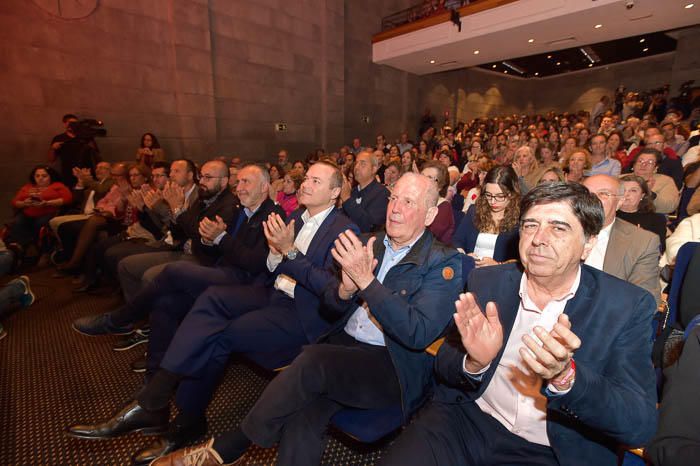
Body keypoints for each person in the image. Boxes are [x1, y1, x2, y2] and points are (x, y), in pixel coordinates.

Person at [151, 172, 462, 466]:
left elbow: (418, 333)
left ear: (431, 215)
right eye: (394, 198)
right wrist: (344, 290)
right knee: (303, 413)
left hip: (392, 366)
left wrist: (367, 283)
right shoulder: (370, 241)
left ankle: (230, 445)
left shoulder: (444, 262)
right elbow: (329, 301)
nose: (395, 208)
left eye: (409, 202)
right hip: (345, 349)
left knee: (313, 361)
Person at [67, 162, 358, 463]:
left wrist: (288, 253)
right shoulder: (296, 216)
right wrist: (275, 255)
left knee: (220, 332)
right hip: (272, 293)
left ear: (335, 192)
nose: (306, 184)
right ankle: (160, 399)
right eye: (306, 178)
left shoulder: (344, 228)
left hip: (302, 312)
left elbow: (333, 292)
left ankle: (172, 410)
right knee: (208, 301)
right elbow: (271, 268)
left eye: (316, 181)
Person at [379, 182, 658, 466]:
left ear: (588, 243)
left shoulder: (625, 306)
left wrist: (567, 379)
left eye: (558, 228)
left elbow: (639, 425)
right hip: (465, 420)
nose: (538, 239)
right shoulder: (487, 281)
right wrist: (475, 363)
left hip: (550, 449)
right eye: (530, 225)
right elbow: (444, 364)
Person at [582, 175, 661, 304]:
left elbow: (644, 300)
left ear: (619, 202)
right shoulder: (554, 231)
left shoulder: (642, 242)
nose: (592, 199)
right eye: (585, 193)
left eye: (603, 194)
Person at [453, 166, 520, 267]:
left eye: (500, 196)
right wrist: (462, 254)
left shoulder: (520, 219)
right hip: (471, 273)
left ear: (512, 193)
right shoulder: (474, 211)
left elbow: (522, 259)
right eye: (488, 195)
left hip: (501, 277)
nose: (492, 201)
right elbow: (457, 240)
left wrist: (498, 265)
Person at [7, 165, 72, 250]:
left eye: (44, 176)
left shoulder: (57, 186)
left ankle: (38, 247)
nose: (40, 178)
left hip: (48, 213)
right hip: (28, 213)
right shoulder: (28, 187)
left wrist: (47, 203)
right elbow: (15, 202)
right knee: (16, 222)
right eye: (37, 176)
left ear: (51, 177)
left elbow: (68, 199)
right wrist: (24, 203)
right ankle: (21, 247)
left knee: (40, 223)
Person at [339, 150, 389, 233]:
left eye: (362, 164)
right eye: (356, 163)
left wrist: (347, 199)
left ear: (374, 169)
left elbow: (369, 227)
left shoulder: (382, 193)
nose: (357, 167)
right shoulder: (352, 191)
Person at [48, 114, 100, 188]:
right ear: (65, 124)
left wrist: (87, 136)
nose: (73, 125)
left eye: (75, 123)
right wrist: (53, 148)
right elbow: (51, 159)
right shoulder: (59, 138)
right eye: (70, 123)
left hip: (86, 172)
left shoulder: (85, 136)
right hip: (68, 173)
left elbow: (96, 154)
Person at [617, 174, 667, 252]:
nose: (626, 194)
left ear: (642, 196)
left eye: (633, 190)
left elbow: (658, 248)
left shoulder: (656, 219)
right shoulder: (607, 215)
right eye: (622, 190)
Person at [630, 148, 680, 215]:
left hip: (651, 216)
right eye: (640, 161)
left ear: (656, 168)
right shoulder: (620, 178)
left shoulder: (666, 181)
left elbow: (670, 206)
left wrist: (649, 193)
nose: (644, 164)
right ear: (634, 164)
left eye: (650, 162)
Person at [421, 161, 455, 244]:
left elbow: (427, 237)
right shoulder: (416, 201)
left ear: (440, 186)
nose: (422, 180)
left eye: (429, 177)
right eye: (421, 176)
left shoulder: (444, 207)